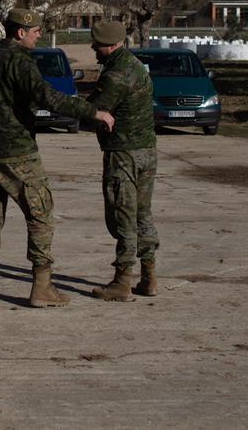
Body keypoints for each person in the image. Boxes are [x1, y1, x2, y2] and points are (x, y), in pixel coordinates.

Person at [0, 8, 115, 307]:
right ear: (20, 32)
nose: (38, 36)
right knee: (41, 214)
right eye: (35, 32)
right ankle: (42, 287)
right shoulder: (20, 62)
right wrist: (92, 112)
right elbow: (47, 96)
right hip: (18, 151)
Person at [87, 21, 159, 301]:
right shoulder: (136, 65)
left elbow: (93, 108)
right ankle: (149, 276)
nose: (94, 47)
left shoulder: (116, 74)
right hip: (146, 151)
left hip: (124, 155)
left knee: (123, 215)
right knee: (143, 213)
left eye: (98, 43)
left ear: (112, 44)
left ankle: (122, 281)